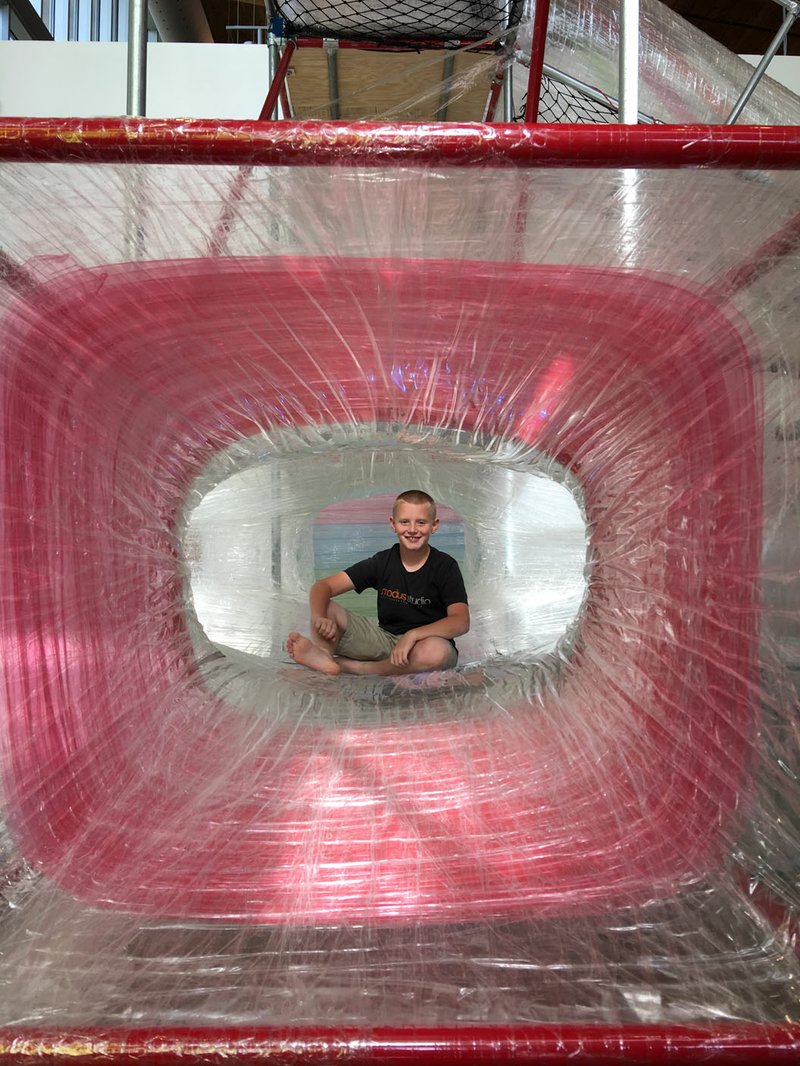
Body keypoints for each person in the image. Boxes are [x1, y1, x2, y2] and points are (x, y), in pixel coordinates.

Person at [286, 489, 469, 677]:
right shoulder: (383, 562)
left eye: (421, 522)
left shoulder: (445, 566)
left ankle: (357, 668)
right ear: (393, 524)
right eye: (404, 522)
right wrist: (319, 617)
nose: (412, 529)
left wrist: (413, 635)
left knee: (435, 652)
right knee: (326, 607)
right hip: (385, 640)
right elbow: (323, 586)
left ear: (434, 525)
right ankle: (323, 657)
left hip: (425, 644)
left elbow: (461, 621)